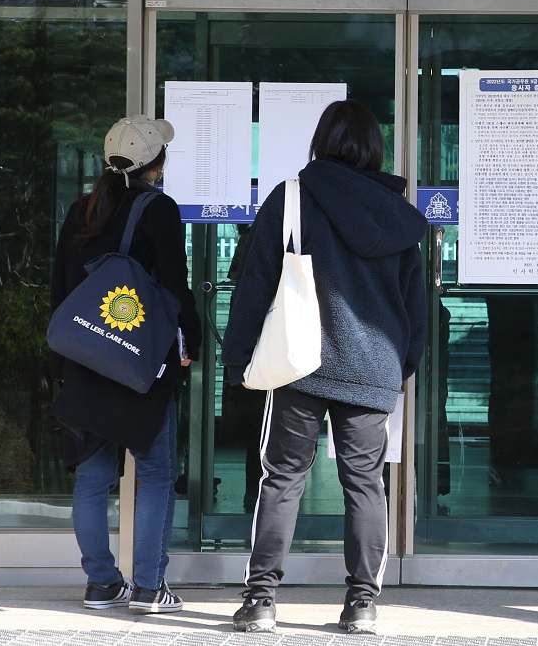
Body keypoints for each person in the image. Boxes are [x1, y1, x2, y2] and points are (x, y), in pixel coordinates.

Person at [221, 99, 426, 635]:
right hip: (373, 366)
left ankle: (261, 601)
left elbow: (254, 286)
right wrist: (403, 365)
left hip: (297, 363)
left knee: (282, 478)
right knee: (365, 483)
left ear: (322, 141)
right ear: (374, 148)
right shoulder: (399, 215)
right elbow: (416, 304)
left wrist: (238, 358)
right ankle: (361, 605)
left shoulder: (292, 199)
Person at [48, 115, 202, 614]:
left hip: (88, 357)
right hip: (139, 364)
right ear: (155, 162)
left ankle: (101, 583)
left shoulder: (81, 211)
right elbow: (174, 289)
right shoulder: (159, 210)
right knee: (155, 472)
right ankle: (149, 587)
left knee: (93, 477)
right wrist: (191, 342)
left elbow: (61, 291)